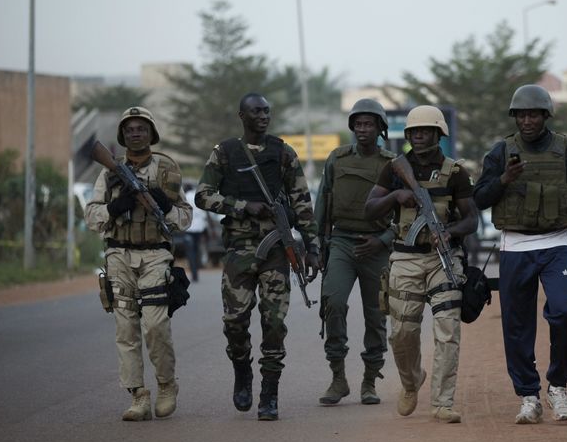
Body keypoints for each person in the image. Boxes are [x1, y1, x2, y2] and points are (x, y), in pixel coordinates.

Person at [473, 85, 567, 424]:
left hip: (556, 243)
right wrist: (504, 179)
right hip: (515, 246)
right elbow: (479, 198)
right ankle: (528, 396)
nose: (527, 120)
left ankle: (557, 385)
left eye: (534, 114)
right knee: (517, 325)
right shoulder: (501, 151)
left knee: (564, 313)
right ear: (514, 117)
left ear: (546, 115)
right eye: (521, 114)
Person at [195, 92, 320, 421]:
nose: (263, 116)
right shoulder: (225, 153)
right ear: (241, 115)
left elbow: (303, 203)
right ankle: (242, 371)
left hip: (276, 249)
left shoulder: (283, 153)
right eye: (255, 111)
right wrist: (242, 206)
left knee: (274, 322)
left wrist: (313, 247)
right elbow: (202, 196)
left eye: (266, 111)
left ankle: (269, 393)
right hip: (239, 249)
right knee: (235, 322)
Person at [365, 105, 478, 424]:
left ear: (439, 133)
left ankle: (442, 401)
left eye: (425, 131)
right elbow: (369, 209)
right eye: (413, 131)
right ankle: (412, 381)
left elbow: (472, 220)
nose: (418, 136)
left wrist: (448, 232)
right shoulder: (394, 168)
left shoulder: (455, 172)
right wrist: (395, 198)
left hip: (444, 259)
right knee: (402, 332)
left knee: (447, 331)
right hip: (405, 258)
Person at [85, 106, 193, 421]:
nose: (136, 133)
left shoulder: (166, 169)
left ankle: (166, 384)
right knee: (125, 328)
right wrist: (115, 207)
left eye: (141, 128)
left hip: (156, 254)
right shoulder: (109, 172)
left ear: (151, 133)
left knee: (156, 324)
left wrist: (164, 204)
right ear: (123, 135)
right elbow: (92, 216)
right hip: (118, 254)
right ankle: (138, 395)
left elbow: (185, 218)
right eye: (130, 129)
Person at [315, 99, 395, 406]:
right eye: (358, 124)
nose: (363, 130)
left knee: (376, 316)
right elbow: (323, 201)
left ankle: (370, 380)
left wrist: (384, 239)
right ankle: (338, 377)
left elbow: (404, 212)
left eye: (369, 124)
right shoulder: (337, 158)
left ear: (380, 128)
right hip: (342, 242)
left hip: (376, 246)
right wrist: (317, 246)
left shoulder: (392, 163)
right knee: (333, 303)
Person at [183, 182, 208, 282]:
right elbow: (204, 213)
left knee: (191, 253)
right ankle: (196, 273)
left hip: (190, 229)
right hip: (200, 228)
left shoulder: (186, 197)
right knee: (197, 251)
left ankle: (194, 274)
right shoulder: (198, 196)